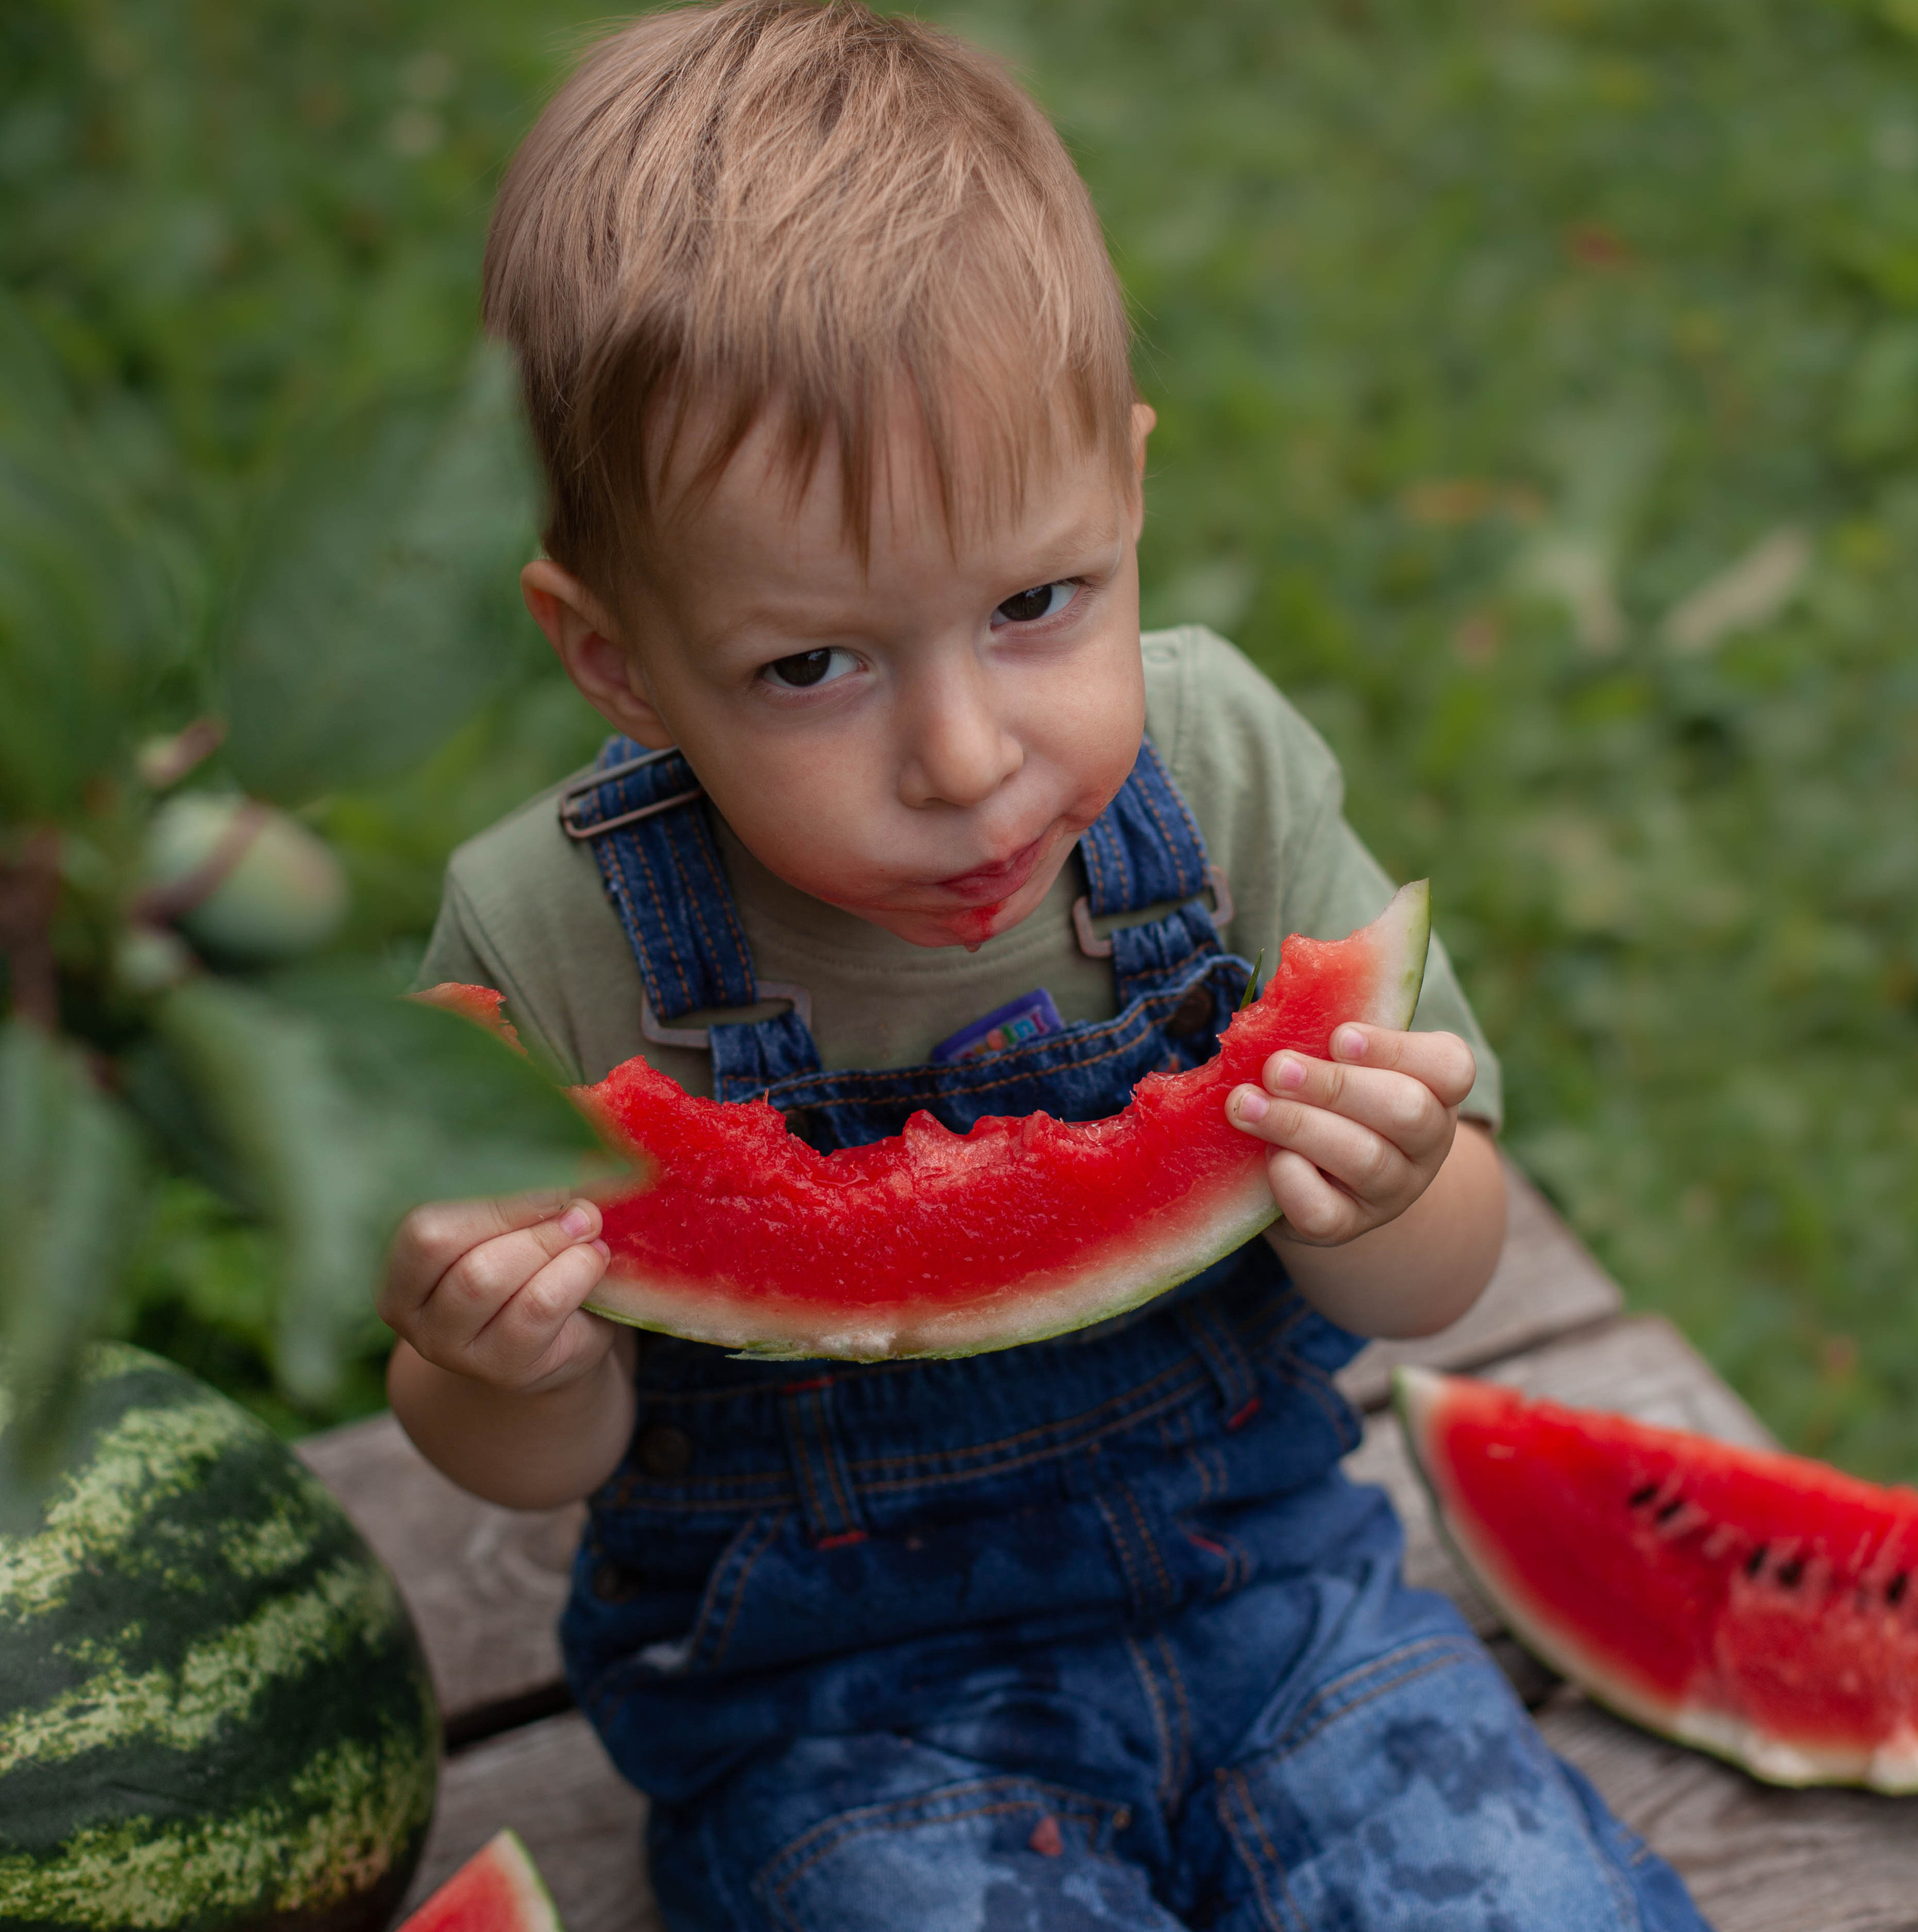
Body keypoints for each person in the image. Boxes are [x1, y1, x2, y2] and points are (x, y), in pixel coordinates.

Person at [385, 5, 1711, 1927]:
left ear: (1128, 493)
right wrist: (498, 1357)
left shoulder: (1224, 775)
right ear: (613, 657)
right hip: (848, 1720)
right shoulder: (547, 945)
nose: (963, 757)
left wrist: (1390, 1192)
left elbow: (1436, 1278)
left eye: (1033, 602)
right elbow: (526, 1456)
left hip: (1280, 1615)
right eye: (808, 666)